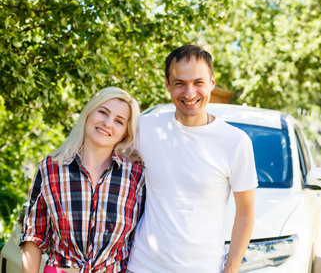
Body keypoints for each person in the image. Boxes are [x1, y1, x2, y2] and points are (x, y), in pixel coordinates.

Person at [127, 45, 258, 273]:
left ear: (212, 83)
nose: (189, 94)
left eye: (198, 82)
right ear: (168, 85)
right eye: (180, 83)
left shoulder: (236, 142)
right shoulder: (145, 129)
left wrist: (230, 270)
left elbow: (246, 213)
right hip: (142, 267)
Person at [21, 87, 145, 273]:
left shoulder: (136, 176)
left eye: (119, 121)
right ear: (89, 113)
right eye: (103, 112)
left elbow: (143, 240)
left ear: (125, 133)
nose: (107, 123)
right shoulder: (52, 167)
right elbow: (33, 236)